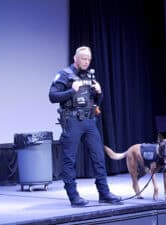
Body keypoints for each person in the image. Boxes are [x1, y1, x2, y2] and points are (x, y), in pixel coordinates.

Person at [49, 46, 121, 207]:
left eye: (88, 59)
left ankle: (104, 193)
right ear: (75, 58)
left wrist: (99, 93)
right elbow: (52, 96)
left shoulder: (90, 76)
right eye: (83, 58)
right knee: (69, 159)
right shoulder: (64, 75)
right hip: (72, 121)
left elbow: (95, 102)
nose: (86, 61)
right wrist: (71, 91)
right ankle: (73, 196)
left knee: (99, 157)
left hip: (89, 121)